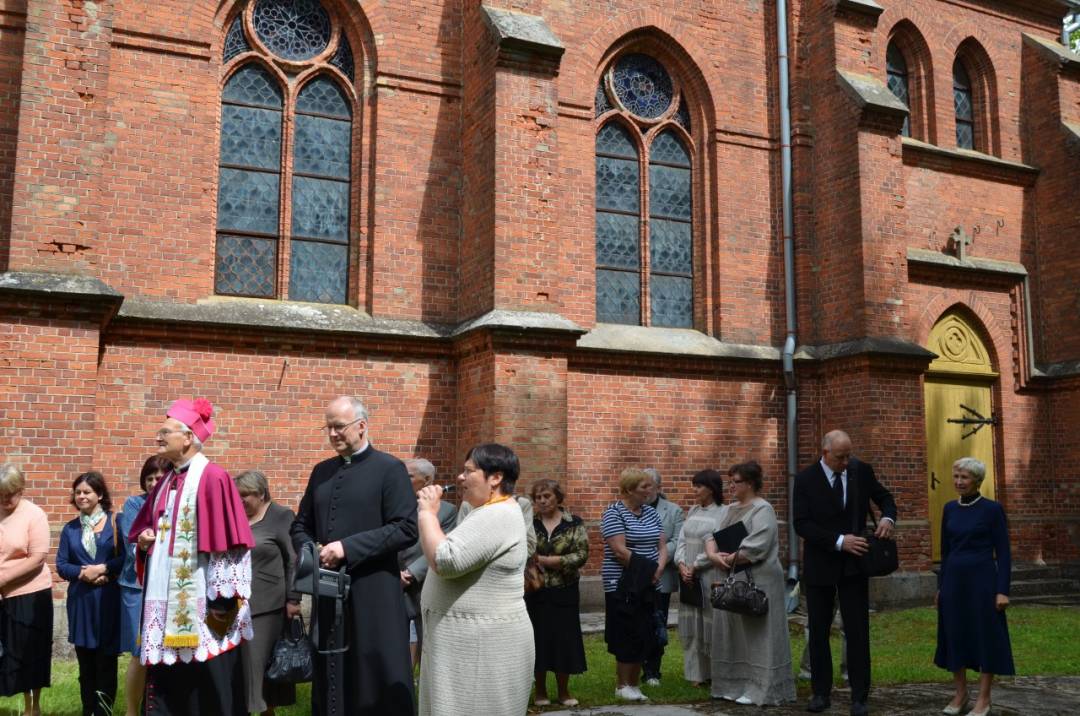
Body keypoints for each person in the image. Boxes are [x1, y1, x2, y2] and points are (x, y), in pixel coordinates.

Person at [291, 396, 417, 716]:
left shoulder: (390, 469)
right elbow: (300, 526)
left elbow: (405, 528)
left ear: (361, 426)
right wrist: (312, 551)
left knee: (374, 674)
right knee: (331, 674)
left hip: (374, 592)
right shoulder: (321, 471)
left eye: (339, 426)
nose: (333, 434)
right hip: (329, 593)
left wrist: (346, 548)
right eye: (328, 427)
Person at [128, 398, 255, 715]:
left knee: (206, 691)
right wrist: (144, 542)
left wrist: (222, 604)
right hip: (165, 602)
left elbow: (230, 544)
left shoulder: (213, 477)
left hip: (203, 607)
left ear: (187, 437)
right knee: (170, 689)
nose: (158, 437)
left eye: (165, 432)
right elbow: (147, 529)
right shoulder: (165, 481)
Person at [415, 443, 534, 715]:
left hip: (482, 647)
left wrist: (427, 514)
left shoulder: (499, 514)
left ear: (496, 477)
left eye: (469, 471)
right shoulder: (485, 511)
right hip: (466, 642)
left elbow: (446, 560)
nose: (460, 477)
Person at [794, 430, 897, 716]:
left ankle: (860, 696)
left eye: (849, 455)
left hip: (855, 567)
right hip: (820, 565)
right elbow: (801, 523)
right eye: (841, 457)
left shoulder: (860, 471)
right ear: (825, 453)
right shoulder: (805, 479)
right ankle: (820, 692)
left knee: (857, 631)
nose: (846, 461)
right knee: (819, 631)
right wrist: (840, 541)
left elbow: (885, 497)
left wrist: (888, 518)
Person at [705, 461, 796, 705]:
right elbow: (711, 536)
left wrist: (729, 558)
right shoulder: (728, 509)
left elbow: (757, 546)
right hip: (732, 576)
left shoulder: (763, 509)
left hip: (759, 579)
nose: (731, 486)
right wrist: (713, 555)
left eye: (736, 482)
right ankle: (734, 684)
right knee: (734, 633)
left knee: (759, 634)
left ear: (750, 483)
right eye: (730, 482)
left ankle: (761, 688)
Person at [935, 457, 1013, 716]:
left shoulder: (992, 510)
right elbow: (945, 552)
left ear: (977, 481)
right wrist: (941, 587)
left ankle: (984, 699)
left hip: (983, 583)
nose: (958, 482)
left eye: (964, 477)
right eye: (956, 476)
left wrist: (1003, 590)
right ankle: (960, 694)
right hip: (953, 583)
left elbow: (1004, 552)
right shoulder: (949, 508)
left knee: (985, 636)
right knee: (954, 634)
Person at [56, 471, 124, 716]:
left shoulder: (116, 523)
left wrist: (103, 569)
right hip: (81, 602)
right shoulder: (70, 529)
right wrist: (83, 573)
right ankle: (88, 710)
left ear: (100, 494)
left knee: (106, 662)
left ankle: (104, 711)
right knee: (86, 665)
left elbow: (126, 558)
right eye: (78, 493)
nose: (82, 496)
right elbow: (61, 565)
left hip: (108, 600)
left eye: (87, 492)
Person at [235, 470, 300, 716]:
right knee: (238, 671)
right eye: (237, 496)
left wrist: (293, 599)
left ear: (261, 494)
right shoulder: (236, 517)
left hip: (268, 606)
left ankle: (265, 712)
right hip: (234, 605)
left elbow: (293, 559)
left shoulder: (281, 516)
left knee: (261, 670)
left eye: (245, 495)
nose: (240, 501)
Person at [601, 467, 668, 702]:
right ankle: (622, 685)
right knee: (625, 633)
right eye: (644, 486)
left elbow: (662, 546)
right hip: (623, 584)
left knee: (644, 631)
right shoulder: (613, 513)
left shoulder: (651, 512)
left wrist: (658, 570)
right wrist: (648, 571)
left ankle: (634, 684)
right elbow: (620, 551)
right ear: (629, 489)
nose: (650, 490)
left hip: (650, 582)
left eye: (651, 485)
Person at [526, 478, 589, 707]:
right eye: (538, 498)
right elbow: (524, 552)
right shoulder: (530, 524)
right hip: (536, 591)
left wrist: (548, 560)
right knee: (538, 640)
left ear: (558, 497)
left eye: (547, 496)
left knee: (565, 640)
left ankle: (564, 691)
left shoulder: (574, 523)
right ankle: (540, 691)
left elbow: (581, 555)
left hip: (565, 590)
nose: (542, 501)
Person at [116, 455, 171, 716]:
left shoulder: (176, 505)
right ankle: (131, 711)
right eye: (149, 478)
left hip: (169, 587)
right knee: (140, 653)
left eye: (158, 478)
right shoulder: (134, 504)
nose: (153, 483)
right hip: (136, 587)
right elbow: (132, 546)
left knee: (167, 650)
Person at [0, 463, 53, 716]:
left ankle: (32, 709)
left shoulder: (34, 515)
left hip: (29, 594)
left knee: (29, 653)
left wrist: (2, 579)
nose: (5, 500)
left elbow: (37, 558)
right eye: (0, 495)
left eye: (10, 494)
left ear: (21, 490)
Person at [399, 458, 456, 668]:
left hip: (424, 584)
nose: (401, 480)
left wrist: (411, 573)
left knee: (429, 645)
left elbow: (444, 543)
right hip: (393, 581)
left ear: (427, 480)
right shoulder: (391, 505)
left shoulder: (447, 511)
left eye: (408, 476)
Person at [673, 468, 725, 686]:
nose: (694, 490)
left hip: (709, 573)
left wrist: (695, 565)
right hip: (688, 576)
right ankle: (696, 674)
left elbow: (718, 545)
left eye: (699, 486)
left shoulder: (723, 513)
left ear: (711, 489)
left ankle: (715, 673)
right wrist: (681, 564)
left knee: (710, 622)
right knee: (693, 623)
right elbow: (682, 540)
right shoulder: (693, 510)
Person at [641, 468, 684, 687]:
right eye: (641, 485)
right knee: (637, 624)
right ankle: (636, 666)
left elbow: (678, 540)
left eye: (648, 485)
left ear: (658, 487)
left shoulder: (674, 511)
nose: (644, 490)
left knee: (658, 623)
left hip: (662, 576)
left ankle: (652, 671)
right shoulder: (631, 508)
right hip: (637, 575)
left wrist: (658, 560)